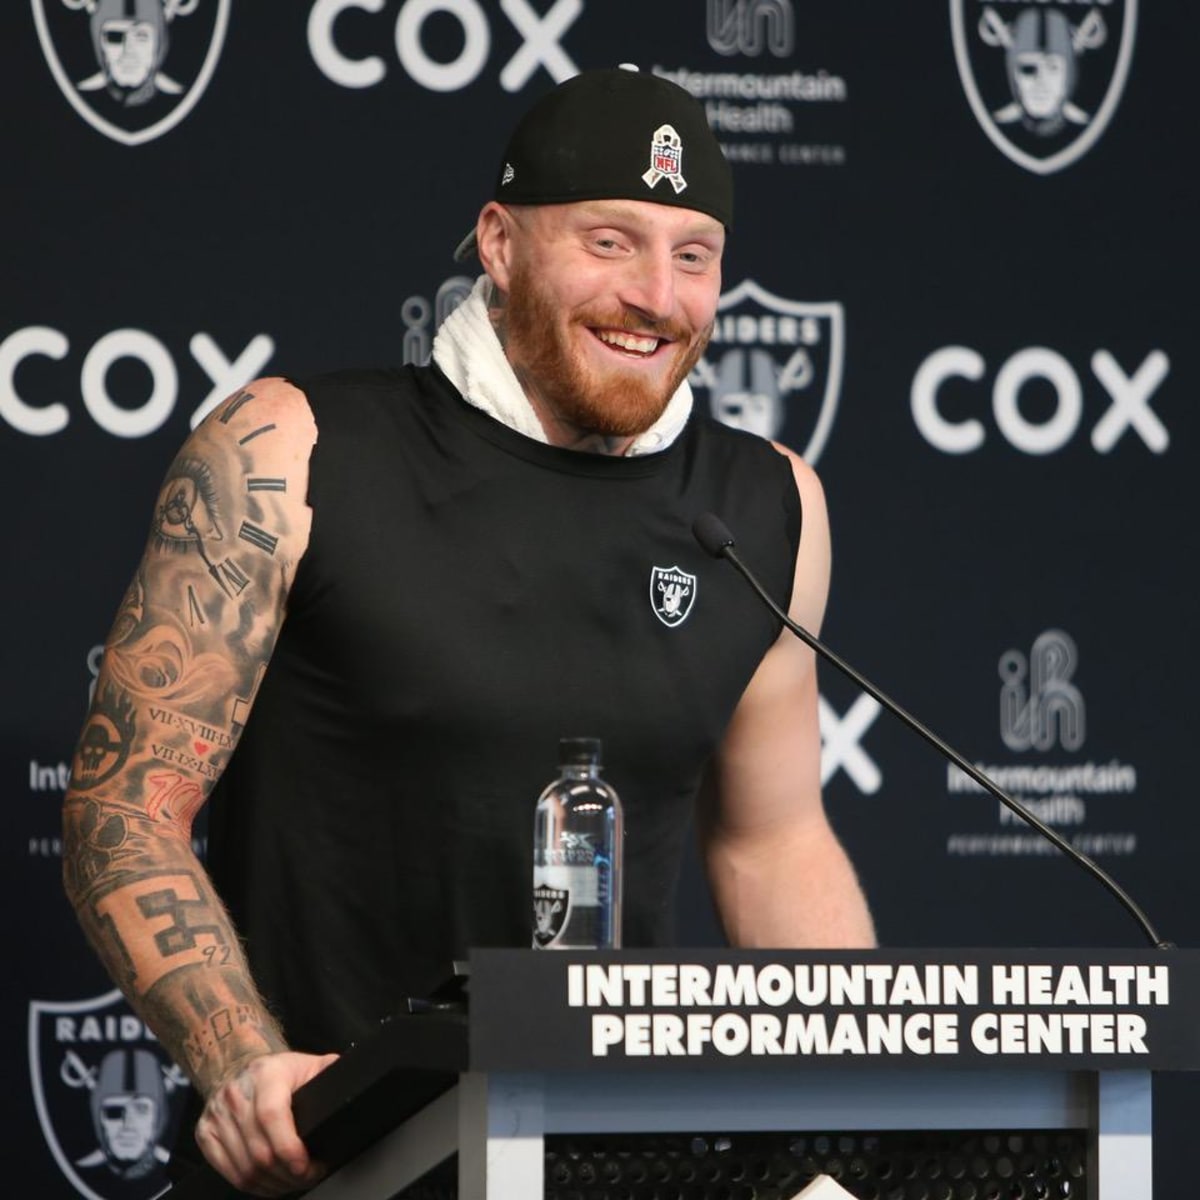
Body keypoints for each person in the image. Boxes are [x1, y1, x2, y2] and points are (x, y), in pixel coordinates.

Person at [62, 66, 875, 1196]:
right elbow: (125, 809)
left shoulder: (768, 507)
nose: (657, 295)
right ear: (498, 244)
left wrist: (869, 1104)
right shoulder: (285, 450)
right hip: (337, 1160)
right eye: (609, 240)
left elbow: (771, 841)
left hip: (611, 1166)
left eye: (693, 256)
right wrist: (245, 1067)